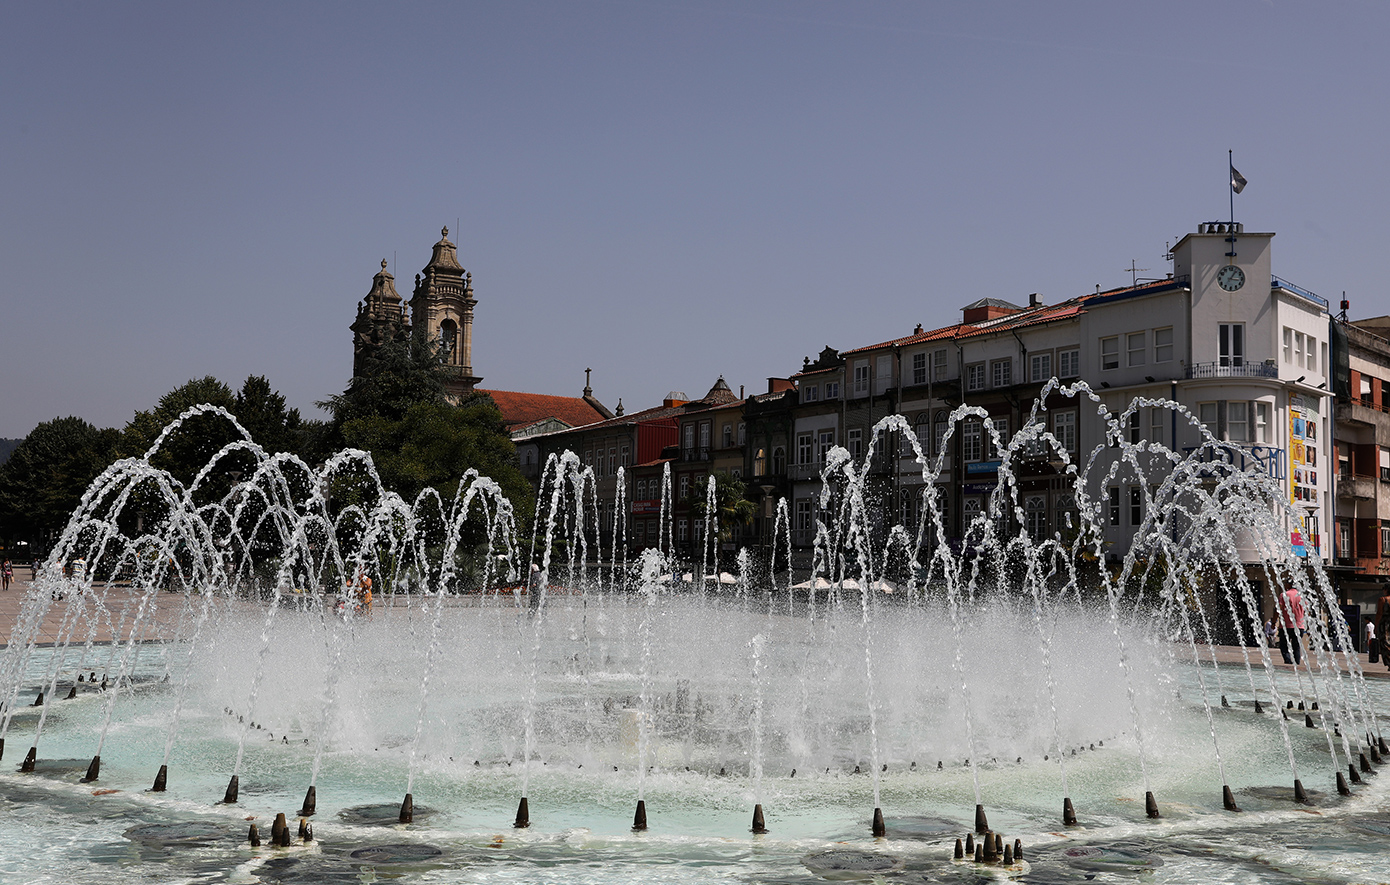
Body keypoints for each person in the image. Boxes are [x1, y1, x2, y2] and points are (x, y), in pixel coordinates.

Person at [1277, 586, 1306, 665]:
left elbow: (1278, 609)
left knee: (1284, 646)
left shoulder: (1284, 595)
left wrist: (1274, 622)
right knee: (1296, 647)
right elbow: (1307, 611)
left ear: (1288, 585)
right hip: (1299, 626)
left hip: (1286, 626)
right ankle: (1297, 664)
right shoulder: (1302, 596)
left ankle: (1288, 662)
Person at [1378, 591, 1390, 670]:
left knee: (1385, 643)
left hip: (1385, 624)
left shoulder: (1383, 599)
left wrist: (1376, 626)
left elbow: (1379, 613)